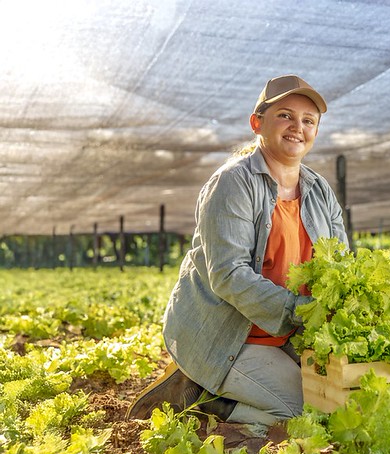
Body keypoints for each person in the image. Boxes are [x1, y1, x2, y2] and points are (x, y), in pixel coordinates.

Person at [127, 74, 348, 427]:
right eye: (285, 116)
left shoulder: (319, 191)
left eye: (308, 120)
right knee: (310, 414)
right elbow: (229, 275)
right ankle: (206, 401)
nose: (298, 127)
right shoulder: (233, 183)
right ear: (257, 123)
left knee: (342, 397)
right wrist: (304, 311)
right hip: (229, 338)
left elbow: (341, 267)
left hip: (289, 333)